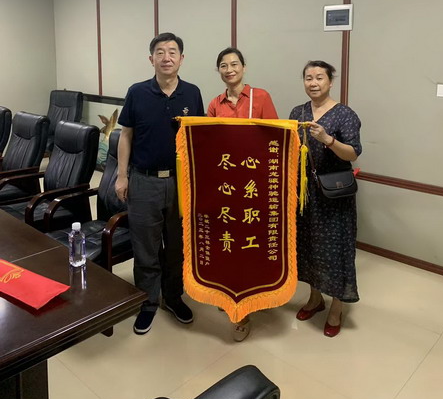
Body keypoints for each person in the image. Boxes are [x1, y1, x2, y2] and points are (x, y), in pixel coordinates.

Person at [116, 32, 204, 335]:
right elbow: (126, 135)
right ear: (151, 58)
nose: (167, 57)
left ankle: (173, 297)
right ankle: (148, 301)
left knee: (177, 245)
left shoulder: (192, 93)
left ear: (182, 58)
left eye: (173, 52)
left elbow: (199, 139)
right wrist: (122, 175)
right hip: (144, 181)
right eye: (160, 52)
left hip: (181, 183)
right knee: (145, 246)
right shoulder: (137, 92)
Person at [208, 47, 278, 341]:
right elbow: (208, 143)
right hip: (226, 186)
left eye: (234, 64)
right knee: (228, 243)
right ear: (219, 71)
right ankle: (233, 297)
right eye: (223, 65)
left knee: (253, 244)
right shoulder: (215, 104)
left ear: (244, 67)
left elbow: (275, 138)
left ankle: (253, 299)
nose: (229, 69)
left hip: (253, 185)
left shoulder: (260, 97)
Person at [289, 61, 361, 338]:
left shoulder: (345, 114)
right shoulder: (298, 112)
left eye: (319, 77)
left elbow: (353, 153)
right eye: (308, 78)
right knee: (309, 246)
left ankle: (336, 307)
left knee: (337, 250)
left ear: (331, 82)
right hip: (305, 194)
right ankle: (315, 298)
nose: (313, 82)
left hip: (334, 194)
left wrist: (328, 139)